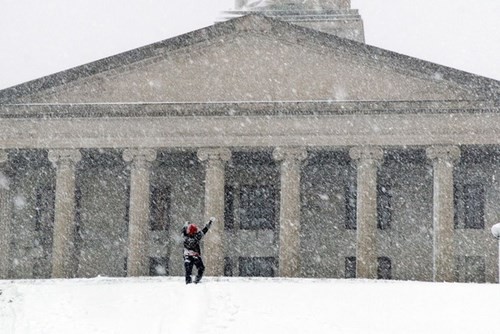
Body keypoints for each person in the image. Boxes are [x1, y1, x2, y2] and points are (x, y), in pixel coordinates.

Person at [182, 217, 215, 284]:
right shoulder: (196, 237)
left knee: (189, 270)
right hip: (194, 256)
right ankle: (195, 281)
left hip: (188, 256)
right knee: (200, 268)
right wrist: (210, 222)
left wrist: (186, 225)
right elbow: (204, 230)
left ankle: (190, 282)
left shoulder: (185, 236)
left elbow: (183, 230)